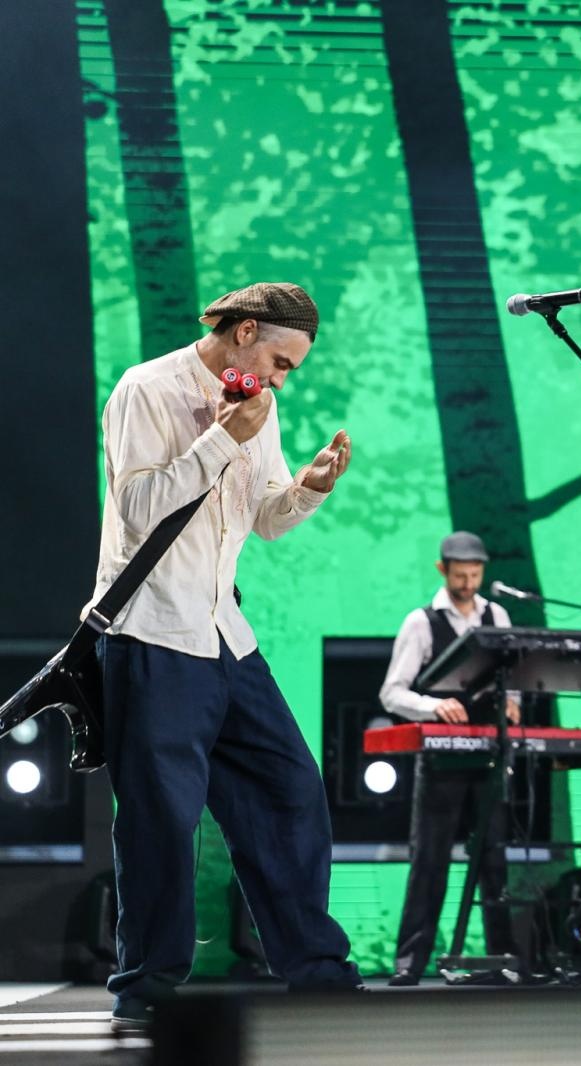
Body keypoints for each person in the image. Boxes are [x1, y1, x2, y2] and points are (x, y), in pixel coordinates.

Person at [90, 282, 360, 1028]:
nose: (280, 381)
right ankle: (145, 990)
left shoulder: (258, 406)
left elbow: (263, 520)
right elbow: (140, 509)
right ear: (244, 331)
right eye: (279, 361)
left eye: (288, 371)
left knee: (291, 791)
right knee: (161, 821)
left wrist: (306, 490)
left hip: (224, 637)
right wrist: (222, 439)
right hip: (151, 635)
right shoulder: (147, 389)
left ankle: (318, 976)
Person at [378, 530, 522, 985]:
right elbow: (392, 693)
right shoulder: (421, 622)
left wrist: (512, 700)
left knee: (495, 858)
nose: (467, 582)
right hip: (441, 757)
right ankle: (410, 963)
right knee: (430, 858)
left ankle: (503, 960)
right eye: (460, 575)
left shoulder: (497, 614)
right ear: (443, 570)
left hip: (489, 753)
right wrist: (432, 705)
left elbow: (512, 674)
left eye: (474, 574)